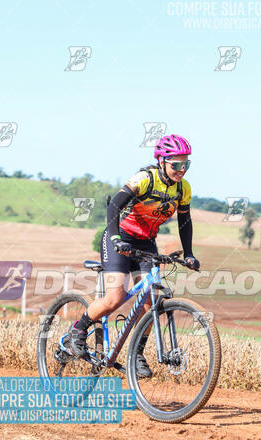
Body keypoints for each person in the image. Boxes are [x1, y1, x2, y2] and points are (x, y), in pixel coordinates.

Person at [68, 134, 200, 377]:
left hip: (146, 242)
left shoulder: (183, 188)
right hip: (119, 236)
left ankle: (137, 354)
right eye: (176, 164)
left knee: (151, 302)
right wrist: (117, 239)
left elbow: (185, 221)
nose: (182, 170)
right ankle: (78, 329)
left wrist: (189, 253)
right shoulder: (144, 179)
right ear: (162, 161)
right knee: (114, 298)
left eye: (186, 164)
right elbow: (114, 206)